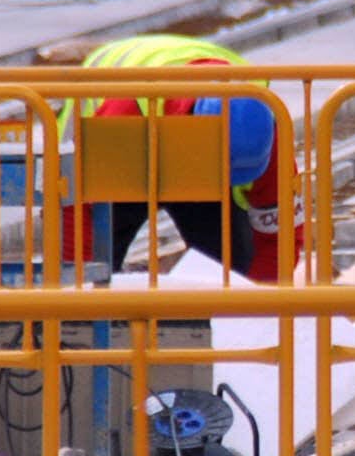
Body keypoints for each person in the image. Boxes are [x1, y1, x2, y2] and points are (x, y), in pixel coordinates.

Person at [63, 34, 286, 279]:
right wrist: (80, 286)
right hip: (128, 144)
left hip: (174, 134)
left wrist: (257, 296)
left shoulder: (261, 130)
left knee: (232, 269)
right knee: (99, 259)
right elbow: (76, 209)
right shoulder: (122, 115)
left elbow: (278, 236)